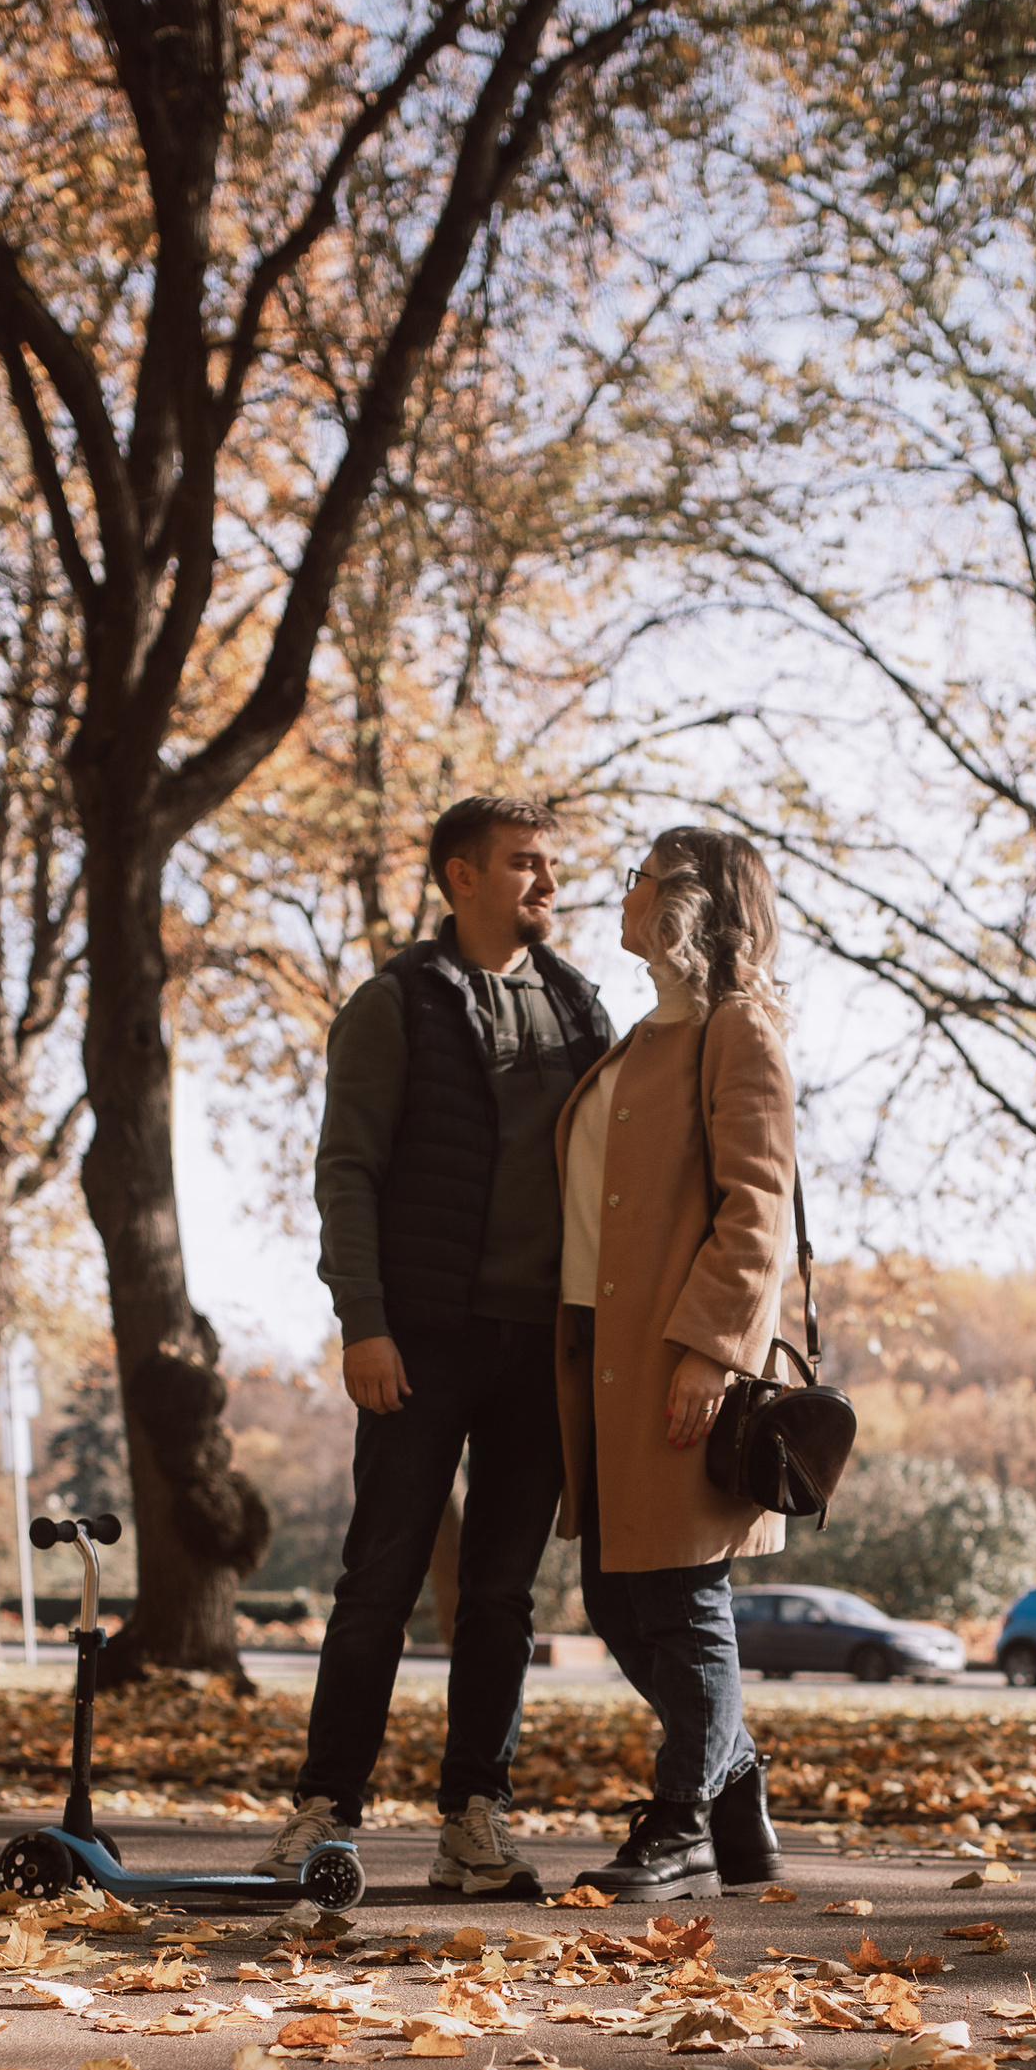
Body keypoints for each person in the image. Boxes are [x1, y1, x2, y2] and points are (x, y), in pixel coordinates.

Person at [270, 795, 613, 1901]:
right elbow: (348, 1170)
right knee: (378, 1582)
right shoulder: (395, 1004)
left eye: (551, 865)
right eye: (524, 864)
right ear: (460, 877)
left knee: (503, 1596)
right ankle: (325, 1811)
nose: (546, 884)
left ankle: (475, 1817)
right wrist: (362, 1321)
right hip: (420, 1339)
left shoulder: (581, 1011)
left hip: (540, 1347)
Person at [554, 828, 795, 1901]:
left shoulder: (735, 1028)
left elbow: (759, 1207)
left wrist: (709, 1348)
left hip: (678, 1356)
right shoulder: (638, 1035)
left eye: (640, 878)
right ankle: (732, 1776)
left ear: (688, 904)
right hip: (596, 1363)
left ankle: (685, 1819)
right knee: (612, 1595)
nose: (624, 892)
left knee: (686, 1598)